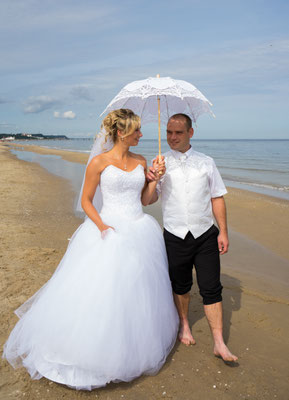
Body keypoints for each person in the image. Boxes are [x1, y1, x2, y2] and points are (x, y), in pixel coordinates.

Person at [3, 109, 179, 390]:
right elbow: (86, 201)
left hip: (140, 229)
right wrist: (102, 226)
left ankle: (128, 346)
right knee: (101, 291)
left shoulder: (142, 160)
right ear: (121, 133)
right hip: (106, 229)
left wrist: (155, 178)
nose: (141, 135)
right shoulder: (98, 162)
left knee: (135, 291)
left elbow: (146, 200)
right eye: (136, 131)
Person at [145, 113, 238, 362]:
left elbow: (217, 197)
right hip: (174, 234)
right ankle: (184, 323)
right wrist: (154, 178)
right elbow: (149, 200)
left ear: (190, 133)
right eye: (169, 133)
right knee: (181, 286)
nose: (172, 137)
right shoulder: (160, 163)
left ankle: (219, 342)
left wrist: (224, 231)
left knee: (211, 288)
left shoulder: (207, 162)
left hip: (205, 234)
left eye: (178, 132)